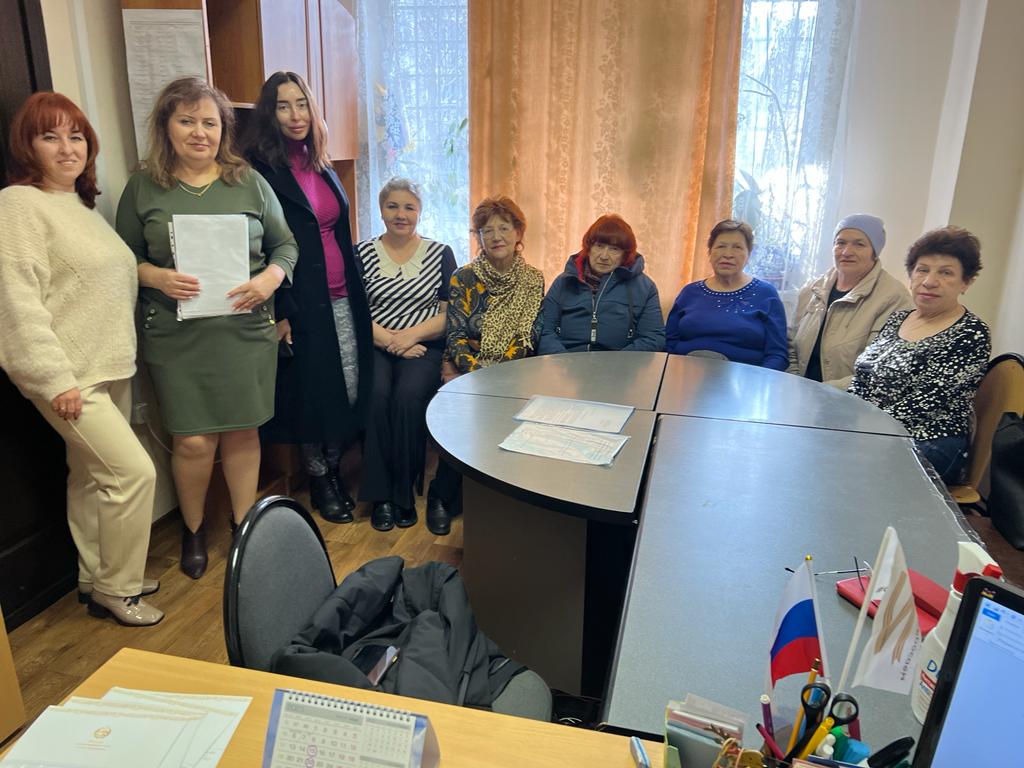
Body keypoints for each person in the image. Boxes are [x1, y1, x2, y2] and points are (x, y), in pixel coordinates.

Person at [116, 77, 298, 580]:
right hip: (177, 337)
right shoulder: (143, 187)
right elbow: (122, 257)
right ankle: (193, 529)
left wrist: (270, 278)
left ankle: (244, 527)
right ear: (166, 126)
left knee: (242, 432)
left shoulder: (249, 182)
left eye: (210, 123)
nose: (200, 132)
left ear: (224, 130)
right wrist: (155, 276)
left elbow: (286, 245)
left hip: (244, 332)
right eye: (187, 121)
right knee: (194, 441)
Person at [0, 92, 161, 625]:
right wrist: (52, 379)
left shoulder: (81, 206)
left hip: (108, 365)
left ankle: (97, 576)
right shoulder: (18, 205)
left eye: (76, 137)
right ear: (27, 146)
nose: (67, 148)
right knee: (132, 474)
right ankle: (119, 588)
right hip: (70, 378)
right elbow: (16, 302)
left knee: (91, 480)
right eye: (50, 136)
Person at [243, 71, 373, 524]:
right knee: (312, 391)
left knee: (346, 386)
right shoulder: (261, 173)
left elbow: (336, 231)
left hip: (344, 294)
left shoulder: (322, 164)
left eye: (302, 104)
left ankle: (335, 465)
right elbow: (259, 248)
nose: (295, 115)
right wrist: (281, 311)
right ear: (270, 113)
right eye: (283, 106)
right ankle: (320, 477)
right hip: (300, 299)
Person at [427, 196, 545, 533]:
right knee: (465, 411)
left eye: (503, 228)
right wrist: (477, 375)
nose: (496, 236)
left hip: (514, 370)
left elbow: (527, 336)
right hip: (467, 368)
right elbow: (456, 335)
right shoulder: (463, 277)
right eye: (487, 230)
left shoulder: (533, 279)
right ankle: (441, 495)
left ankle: (498, 495)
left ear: (518, 232)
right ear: (478, 236)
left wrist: (499, 373)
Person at [849, 226, 991, 484]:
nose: (929, 281)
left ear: (966, 282)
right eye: (922, 270)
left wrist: (864, 430)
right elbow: (863, 375)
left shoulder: (972, 332)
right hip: (874, 430)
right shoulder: (898, 318)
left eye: (946, 272)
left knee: (848, 467)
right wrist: (846, 414)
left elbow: (927, 401)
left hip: (929, 439)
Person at [355, 178, 457, 533]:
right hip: (376, 343)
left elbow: (448, 314)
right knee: (376, 396)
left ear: (420, 212)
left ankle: (403, 494)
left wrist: (411, 336)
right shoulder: (362, 252)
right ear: (381, 210)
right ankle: (380, 496)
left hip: (423, 345)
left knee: (408, 396)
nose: (401, 214)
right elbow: (356, 312)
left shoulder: (440, 253)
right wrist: (391, 341)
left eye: (409, 207)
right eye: (393, 206)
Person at [788, 214, 912, 388]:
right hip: (801, 393)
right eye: (840, 243)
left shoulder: (895, 298)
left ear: (875, 252)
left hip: (850, 400)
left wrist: (821, 393)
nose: (846, 252)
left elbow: (877, 368)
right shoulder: (811, 290)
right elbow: (791, 347)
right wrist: (795, 385)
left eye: (859, 244)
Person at [664, 219, 787, 369]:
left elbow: (777, 355)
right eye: (721, 246)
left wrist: (757, 380)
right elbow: (669, 343)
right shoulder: (689, 292)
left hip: (744, 379)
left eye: (737, 247)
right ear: (710, 252)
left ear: (748, 255)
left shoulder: (766, 294)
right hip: (686, 375)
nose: (728, 254)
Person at [538, 214, 664, 354]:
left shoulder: (645, 288)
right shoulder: (563, 282)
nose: (604, 256)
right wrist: (564, 361)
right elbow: (545, 332)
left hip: (621, 363)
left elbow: (653, 338)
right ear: (588, 248)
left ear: (625, 254)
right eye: (599, 246)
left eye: (614, 249)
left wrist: (617, 363)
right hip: (566, 361)